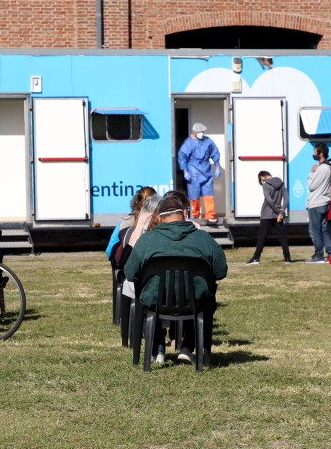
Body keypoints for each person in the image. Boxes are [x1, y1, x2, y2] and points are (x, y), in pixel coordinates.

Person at [122, 190, 228, 365]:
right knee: (204, 297)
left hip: (155, 302)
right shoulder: (204, 239)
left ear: (159, 218)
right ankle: (188, 346)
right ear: (184, 214)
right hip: (196, 302)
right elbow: (221, 271)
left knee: (148, 293)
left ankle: (158, 348)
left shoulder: (147, 241)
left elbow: (130, 273)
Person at [177, 123, 221, 225]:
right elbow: (182, 156)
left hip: (206, 169)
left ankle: (210, 215)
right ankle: (195, 214)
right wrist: (185, 170)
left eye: (203, 131)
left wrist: (217, 166)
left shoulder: (208, 141)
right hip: (193, 169)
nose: (202, 133)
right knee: (194, 193)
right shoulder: (189, 142)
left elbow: (215, 153)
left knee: (208, 193)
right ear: (195, 132)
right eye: (200, 131)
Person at [247, 170, 290, 265]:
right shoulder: (281, 183)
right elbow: (286, 198)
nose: (262, 181)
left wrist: (278, 212)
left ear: (263, 176)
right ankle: (287, 258)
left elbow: (269, 200)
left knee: (262, 237)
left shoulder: (266, 185)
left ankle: (256, 258)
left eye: (261, 180)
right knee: (282, 236)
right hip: (278, 215)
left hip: (267, 214)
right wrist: (281, 212)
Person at [305, 142, 331, 263]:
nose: (313, 154)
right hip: (324, 202)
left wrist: (312, 172)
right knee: (323, 229)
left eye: (315, 152)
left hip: (316, 203)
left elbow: (311, 185)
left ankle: (318, 255)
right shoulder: (329, 168)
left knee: (315, 231)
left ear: (321, 154)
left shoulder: (321, 169)